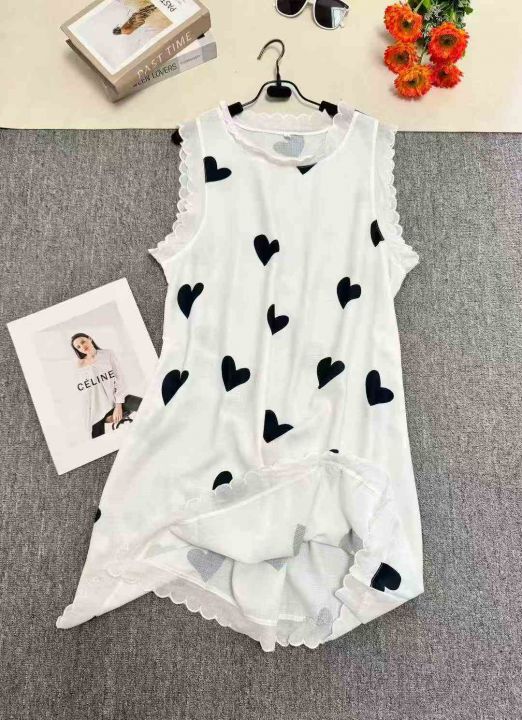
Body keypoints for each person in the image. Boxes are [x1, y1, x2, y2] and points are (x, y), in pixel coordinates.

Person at [71, 333, 141, 439]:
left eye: (83, 342)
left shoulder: (107, 354)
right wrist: (102, 418)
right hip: (99, 411)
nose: (82, 347)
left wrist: (118, 406)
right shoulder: (80, 366)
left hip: (119, 400)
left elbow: (120, 379)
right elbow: (86, 395)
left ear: (90, 339)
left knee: (147, 404)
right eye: (78, 347)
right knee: (98, 440)